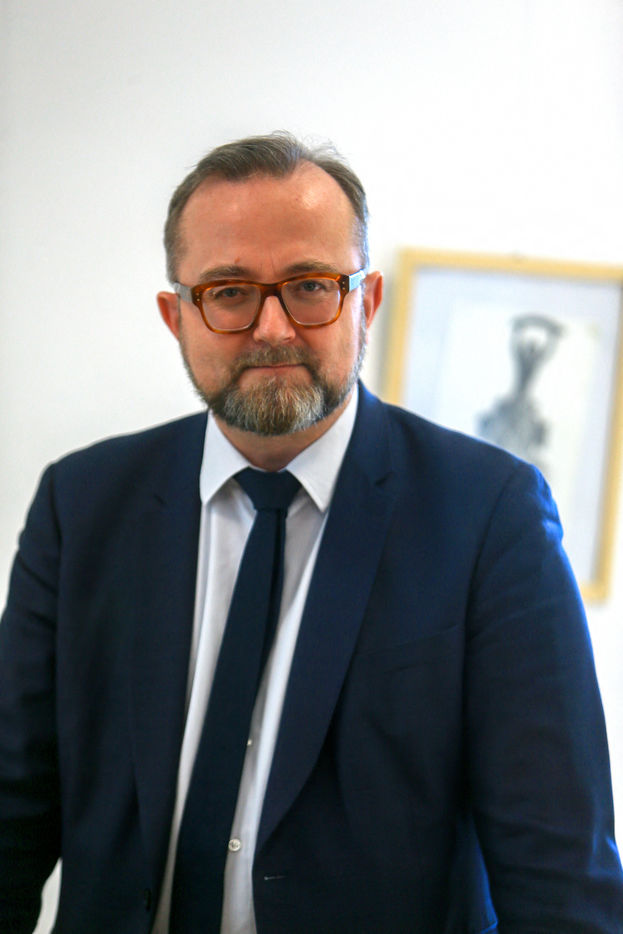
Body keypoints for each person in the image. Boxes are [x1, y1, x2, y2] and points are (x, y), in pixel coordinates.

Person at [1, 132, 622, 934]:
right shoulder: (82, 504)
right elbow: (10, 813)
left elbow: (560, 879)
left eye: (309, 286)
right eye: (228, 291)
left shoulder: (489, 517)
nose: (272, 328)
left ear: (366, 302)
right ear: (176, 317)